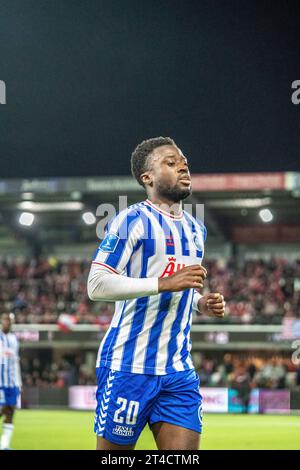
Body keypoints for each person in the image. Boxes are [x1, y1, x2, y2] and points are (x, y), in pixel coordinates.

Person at [88, 136, 226, 450]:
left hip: (178, 370)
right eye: (171, 162)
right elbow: (96, 284)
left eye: (184, 162)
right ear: (147, 178)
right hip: (128, 367)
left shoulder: (196, 230)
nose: (183, 167)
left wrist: (200, 303)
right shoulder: (130, 220)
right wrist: (164, 283)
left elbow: (180, 291)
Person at [0, 312, 22, 450]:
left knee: (10, 411)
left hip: (12, 383)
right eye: (6, 320)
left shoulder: (14, 339)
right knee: (1, 409)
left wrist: (19, 382)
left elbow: (16, 362)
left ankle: (4, 445)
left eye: (10, 320)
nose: (8, 322)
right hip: (0, 384)